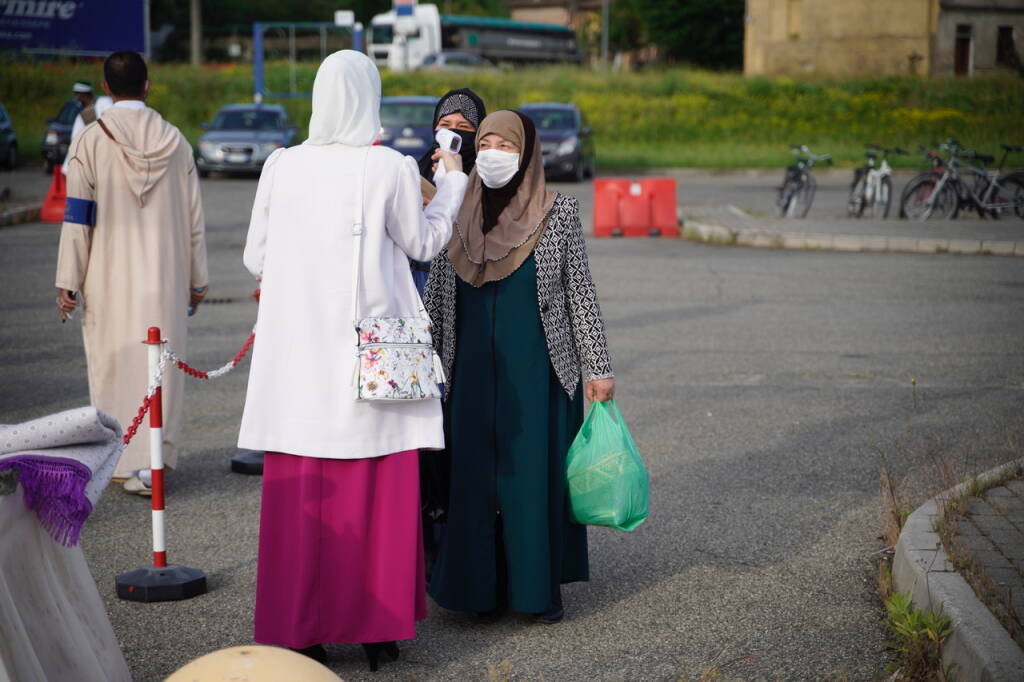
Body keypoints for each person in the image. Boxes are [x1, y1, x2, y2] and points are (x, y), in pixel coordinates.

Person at [237, 50, 467, 671]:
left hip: (296, 365)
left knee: (301, 500)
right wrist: (450, 188)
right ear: (370, 97)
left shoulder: (280, 166)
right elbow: (423, 242)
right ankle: (376, 631)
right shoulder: (387, 166)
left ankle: (300, 631)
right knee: (375, 496)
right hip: (373, 364)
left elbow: (257, 257)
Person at [424, 110, 615, 624]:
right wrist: (424, 363)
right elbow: (436, 297)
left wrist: (598, 367)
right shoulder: (455, 210)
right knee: (471, 480)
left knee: (529, 480)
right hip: (467, 372)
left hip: (536, 372)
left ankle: (535, 590)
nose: (491, 152)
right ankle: (474, 591)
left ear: (527, 154)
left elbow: (580, 293)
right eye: (484, 142)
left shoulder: (559, 211)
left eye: (505, 145)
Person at [54, 51, 208, 495]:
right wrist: (196, 280)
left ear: (105, 87)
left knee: (114, 366)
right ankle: (153, 464)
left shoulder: (90, 141)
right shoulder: (175, 141)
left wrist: (69, 277)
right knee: (160, 372)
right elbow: (194, 220)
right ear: (148, 86)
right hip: (165, 277)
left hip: (108, 277)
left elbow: (77, 217)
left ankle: (116, 460)